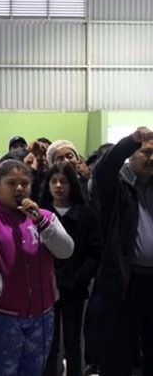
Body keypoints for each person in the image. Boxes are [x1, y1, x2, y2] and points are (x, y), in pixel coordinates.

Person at [0, 156, 74, 376]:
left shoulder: (45, 217)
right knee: (3, 372)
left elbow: (66, 250)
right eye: (11, 183)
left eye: (25, 183)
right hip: (0, 314)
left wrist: (41, 222)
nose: (19, 188)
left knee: (34, 371)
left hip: (42, 314)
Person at [86, 126, 153, 376]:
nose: (151, 158)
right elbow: (104, 168)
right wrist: (131, 140)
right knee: (118, 354)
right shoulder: (115, 187)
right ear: (131, 154)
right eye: (146, 152)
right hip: (125, 284)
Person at [40, 162, 102, 376]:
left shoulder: (86, 214)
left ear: (72, 185)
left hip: (75, 286)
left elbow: (95, 252)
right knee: (49, 341)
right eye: (54, 181)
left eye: (64, 181)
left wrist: (81, 276)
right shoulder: (40, 213)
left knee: (74, 339)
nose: (58, 186)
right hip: (46, 287)